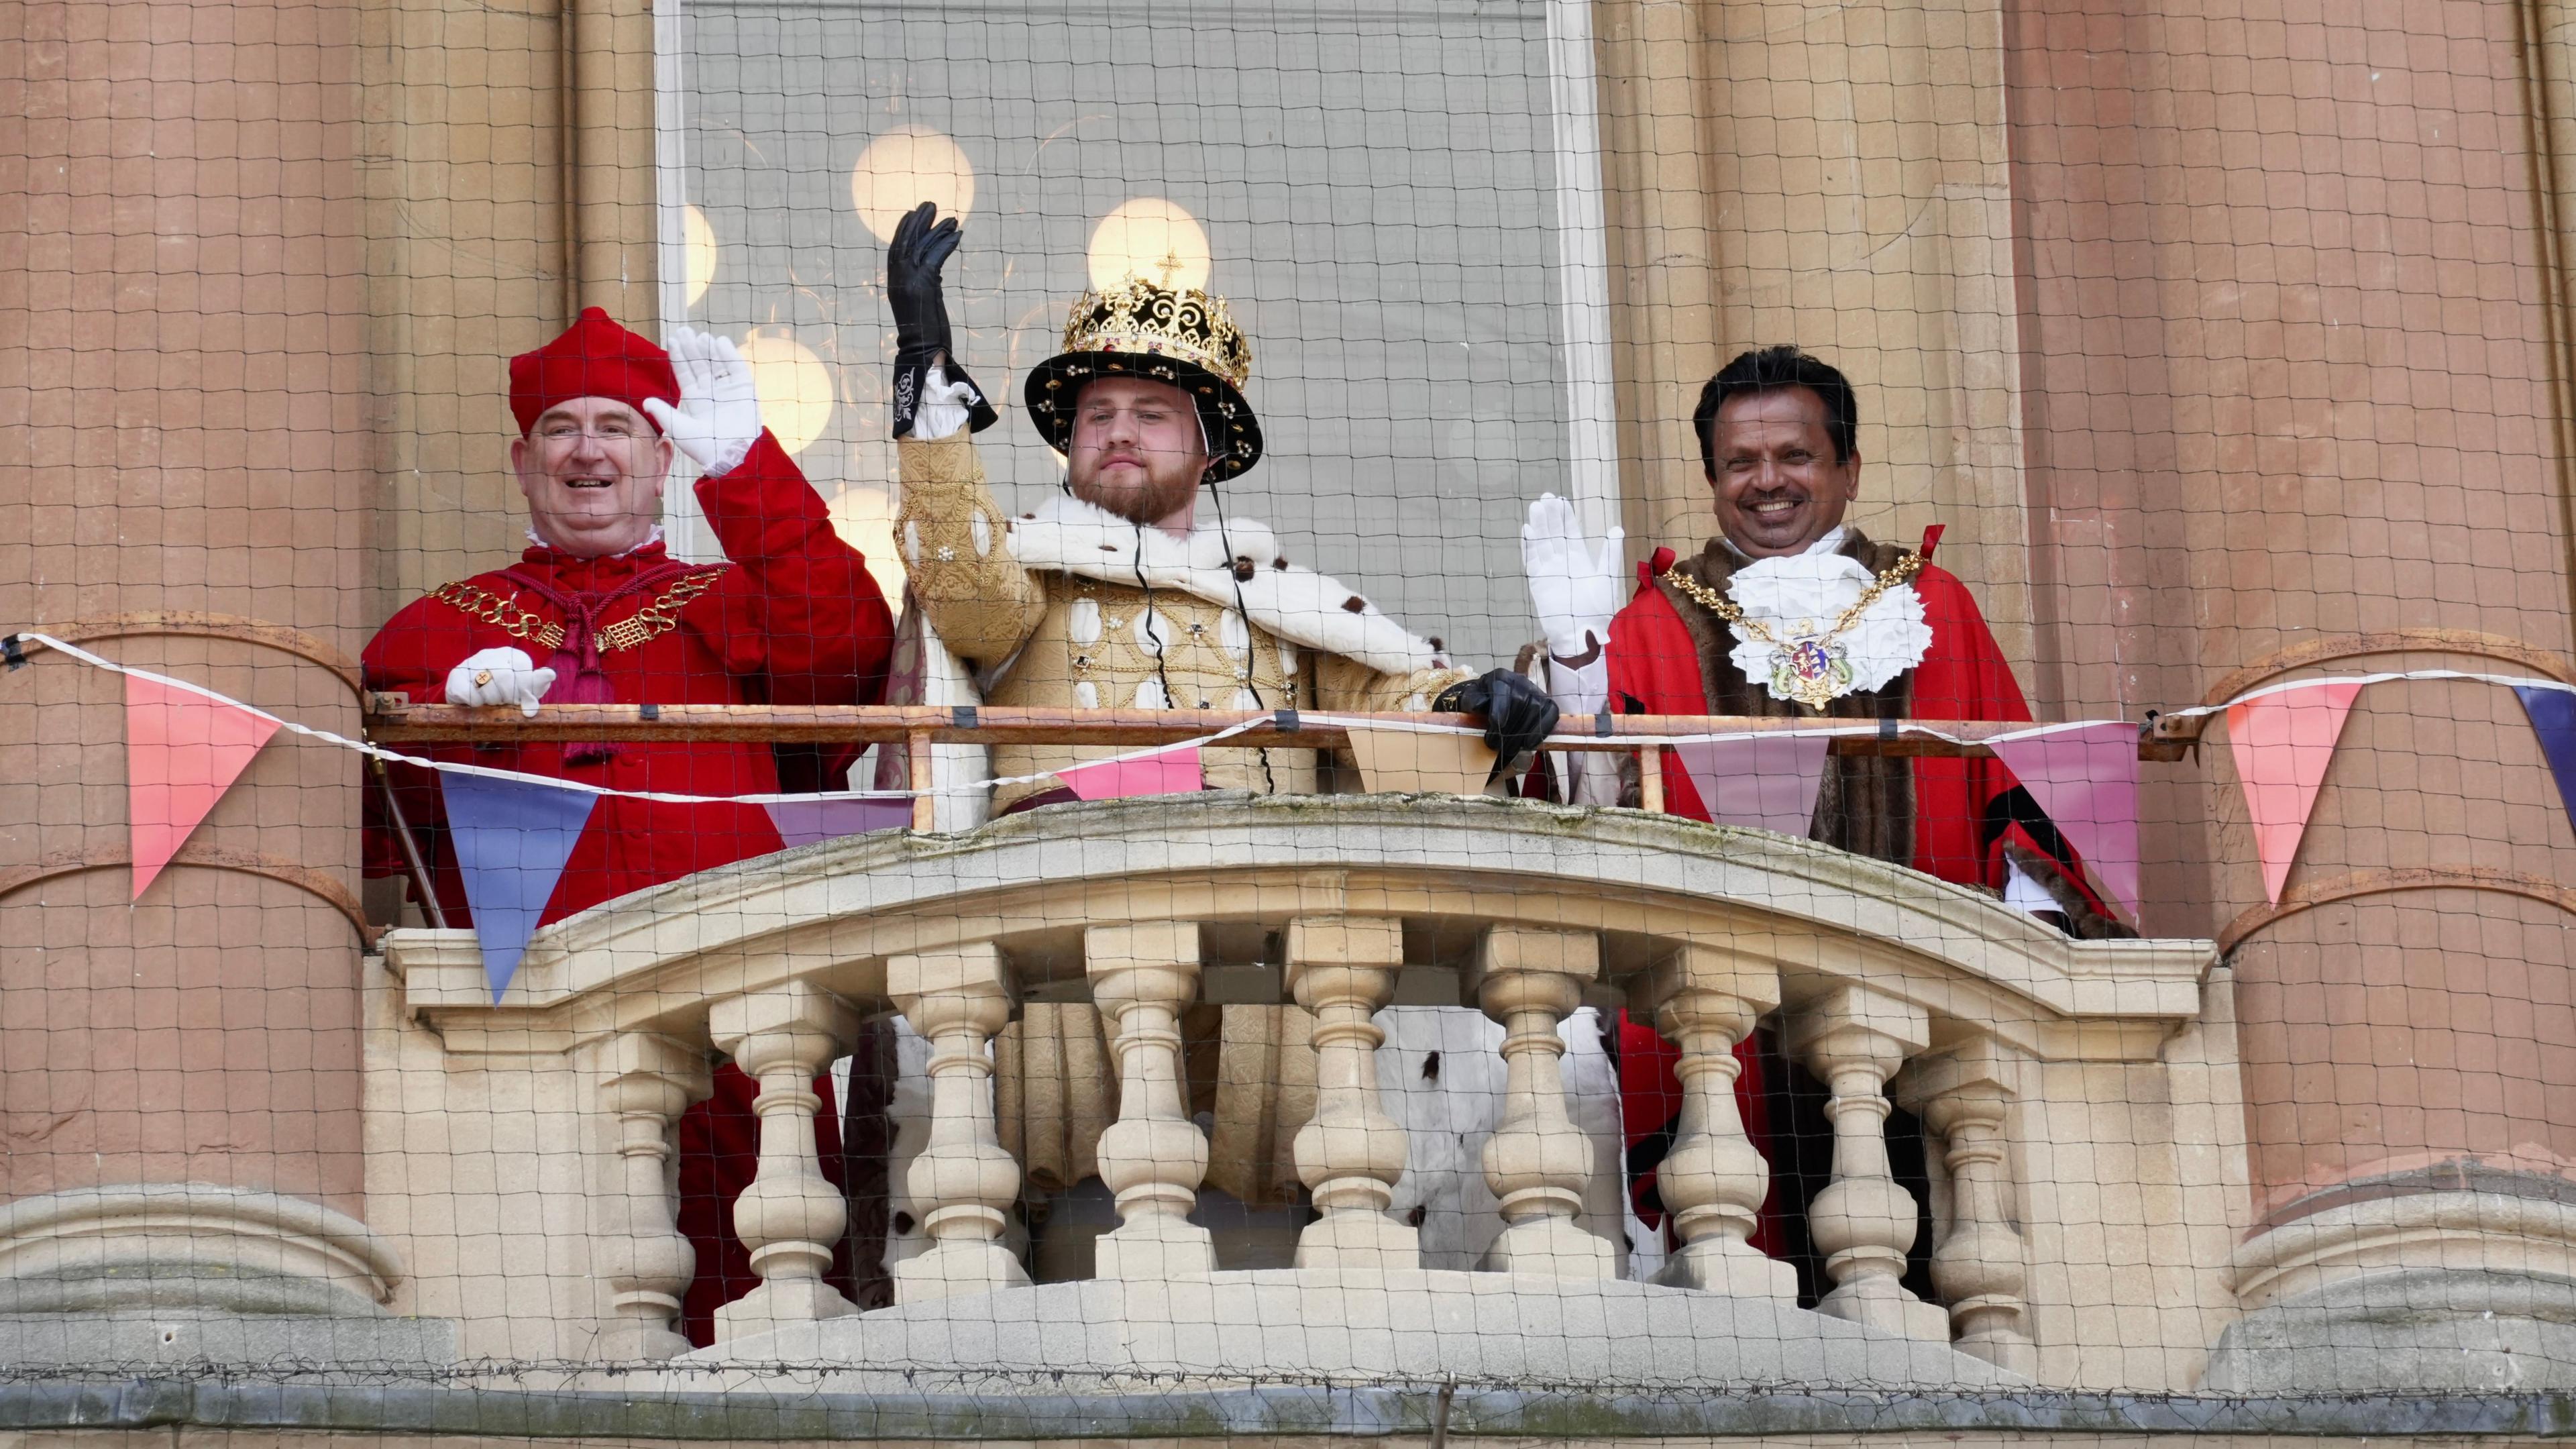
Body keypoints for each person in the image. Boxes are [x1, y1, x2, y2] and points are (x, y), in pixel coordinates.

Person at [361, 307, 896, 1344]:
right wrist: (454, 728)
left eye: (619, 425)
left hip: (735, 1021)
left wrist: (746, 470)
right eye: (563, 427)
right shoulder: (439, 626)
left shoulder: (727, 600)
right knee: (531, 1330)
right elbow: (375, 813)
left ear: (661, 457)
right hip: (520, 1033)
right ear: (523, 460)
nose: (588, 449)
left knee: (763, 1330)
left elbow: (842, 648)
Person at [1522, 343, 2125, 1259]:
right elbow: (1599, 815)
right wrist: (1576, 658)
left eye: (1794, 457)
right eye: (1740, 464)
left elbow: (2019, 797)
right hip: (1727, 1039)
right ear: (1713, 479)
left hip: (1933, 1021)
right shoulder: (1652, 622)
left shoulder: (1935, 606)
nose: (1768, 482)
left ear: (1847, 469)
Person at [878, 203, 1558, 813]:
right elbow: (964, 594)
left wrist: (1465, 704)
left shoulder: (1287, 600)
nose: (1119, 431)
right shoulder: (1025, 571)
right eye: (1099, 415)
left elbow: (1381, 706)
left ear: (1209, 451)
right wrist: (924, 366)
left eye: (1151, 415)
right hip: (1071, 893)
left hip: (1253, 910)